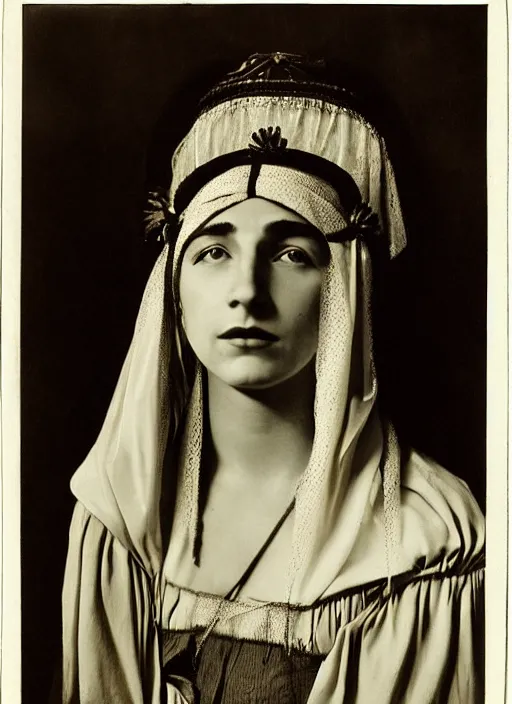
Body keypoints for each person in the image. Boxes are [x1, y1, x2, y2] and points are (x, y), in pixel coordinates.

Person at [60, 53, 485, 703]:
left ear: (346, 286)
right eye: (214, 251)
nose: (248, 293)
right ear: (173, 286)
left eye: (292, 252)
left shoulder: (423, 547)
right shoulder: (117, 518)